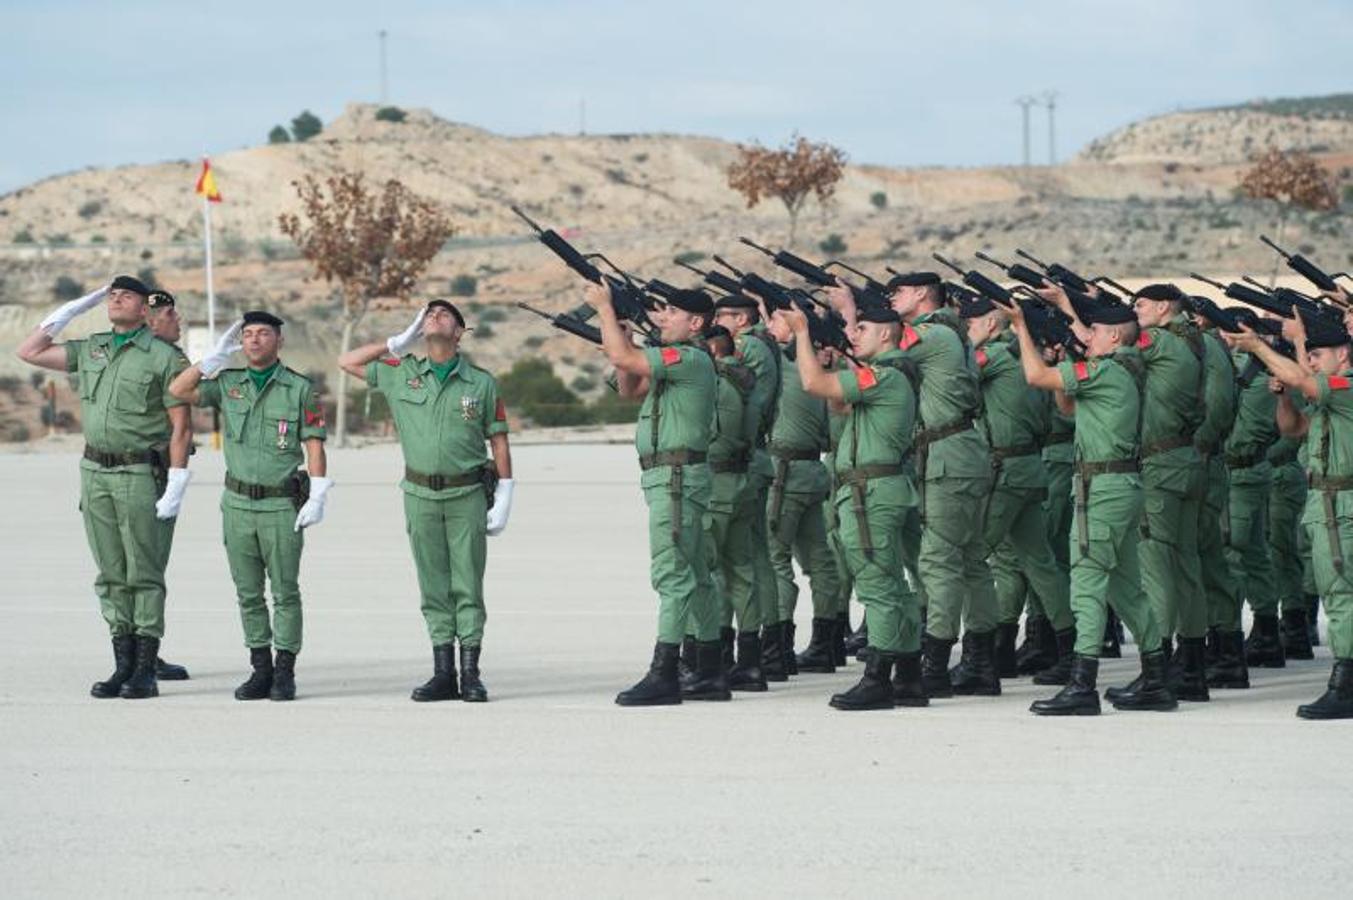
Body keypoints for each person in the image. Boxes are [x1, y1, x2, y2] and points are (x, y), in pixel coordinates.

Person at [16, 275, 191, 699]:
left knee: (144, 572)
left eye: (125, 295)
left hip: (138, 474)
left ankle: (146, 668)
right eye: (110, 295)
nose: (115, 299)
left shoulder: (165, 358)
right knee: (111, 572)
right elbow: (29, 351)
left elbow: (181, 429)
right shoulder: (92, 348)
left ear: (145, 310)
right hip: (95, 472)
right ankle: (122, 664)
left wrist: (177, 482)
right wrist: (70, 311)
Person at [338, 299, 513, 703]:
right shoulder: (403, 374)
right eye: (428, 314)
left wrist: (505, 492)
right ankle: (442, 673)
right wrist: (396, 342)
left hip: (466, 493)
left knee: (467, 583)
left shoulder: (481, 382)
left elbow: (499, 440)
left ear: (459, 333)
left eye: (444, 315)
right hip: (419, 494)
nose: (434, 317)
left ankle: (471, 673)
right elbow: (347, 361)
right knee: (433, 585)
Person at [829, 273, 995, 698]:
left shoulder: (932, 332)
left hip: (947, 453)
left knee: (938, 561)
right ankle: (981, 662)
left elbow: (876, 353)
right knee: (971, 560)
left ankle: (936, 666)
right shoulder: (948, 331)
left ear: (921, 294)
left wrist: (850, 314)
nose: (892, 298)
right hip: (958, 450)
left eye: (899, 292)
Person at [1011, 291, 1176, 715]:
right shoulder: (1118, 369)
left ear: (1116, 337)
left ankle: (1082, 684)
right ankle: (1157, 678)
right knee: (1126, 588)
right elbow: (1067, 406)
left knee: (1086, 581)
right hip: (1118, 486)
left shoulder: (1105, 370)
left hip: (1102, 489)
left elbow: (1035, 377)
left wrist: (1020, 329)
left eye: (1097, 333)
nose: (1090, 340)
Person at [169, 311, 330, 701]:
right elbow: (179, 390)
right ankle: (261, 668)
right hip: (238, 503)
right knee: (248, 592)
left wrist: (320, 491)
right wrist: (210, 360)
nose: (254, 340)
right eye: (248, 335)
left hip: (280, 505)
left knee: (286, 591)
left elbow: (314, 443)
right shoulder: (229, 384)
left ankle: (285, 672)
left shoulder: (299, 389)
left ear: (279, 341)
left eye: (263, 334)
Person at [775, 303, 923, 709]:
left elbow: (812, 383)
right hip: (881, 489)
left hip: (871, 495)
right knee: (894, 585)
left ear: (887, 335)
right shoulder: (888, 374)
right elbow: (838, 404)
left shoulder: (887, 376)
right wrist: (842, 358)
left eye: (863, 329)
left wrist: (803, 334)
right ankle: (909, 676)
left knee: (877, 587)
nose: (854, 335)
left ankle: (877, 678)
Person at [583, 284, 721, 706]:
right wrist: (621, 333)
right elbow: (628, 386)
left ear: (695, 323)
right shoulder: (677, 361)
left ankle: (665, 672)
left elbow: (622, 360)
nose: (661, 318)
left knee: (672, 574)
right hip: (672, 477)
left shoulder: (690, 357)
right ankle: (709, 669)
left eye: (671, 313)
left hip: (676, 479)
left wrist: (605, 309)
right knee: (695, 574)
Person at [1233, 314, 1353, 719]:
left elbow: (1306, 381)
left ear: (1343, 354)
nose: (1313, 362)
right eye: (1310, 354)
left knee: (1341, 592)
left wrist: (1259, 348)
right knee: (1336, 587)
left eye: (1317, 355)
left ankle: (1346, 684)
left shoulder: (1344, 386)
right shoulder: (1326, 393)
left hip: (1343, 504)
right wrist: (1284, 396)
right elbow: (1293, 428)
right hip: (1325, 501)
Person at [961, 297, 1074, 682]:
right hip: (1031, 467)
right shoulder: (1028, 355)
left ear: (991, 326)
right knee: (1039, 563)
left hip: (1004, 470)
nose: (967, 331)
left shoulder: (992, 355)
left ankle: (980, 657)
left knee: (973, 557)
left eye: (971, 324)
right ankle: (1066, 649)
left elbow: (955, 382)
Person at [761, 309, 841, 672]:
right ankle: (829, 644)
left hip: (785, 471)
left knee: (776, 560)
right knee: (820, 561)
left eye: (776, 320)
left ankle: (776, 650)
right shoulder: (816, 370)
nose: (768, 328)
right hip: (812, 469)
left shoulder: (781, 361)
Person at [712, 294, 786, 678]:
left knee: (740, 563)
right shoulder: (759, 346)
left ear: (740, 319)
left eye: (721, 315)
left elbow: (748, 404)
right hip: (754, 457)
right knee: (753, 560)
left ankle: (745, 650)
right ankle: (767, 651)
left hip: (741, 456)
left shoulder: (748, 347)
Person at [697, 324, 765, 691]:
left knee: (703, 570)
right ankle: (750, 660)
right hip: (741, 479)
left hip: (716, 483)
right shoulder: (745, 382)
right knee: (741, 571)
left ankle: (704, 658)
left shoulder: (717, 384)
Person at [139, 289, 192, 682]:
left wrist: (176, 479)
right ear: (150, 319)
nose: (179, 320)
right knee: (136, 567)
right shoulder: (129, 356)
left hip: (152, 472)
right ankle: (138, 653)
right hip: (129, 473)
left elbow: (182, 427)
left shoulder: (173, 360)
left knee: (149, 565)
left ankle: (147, 653)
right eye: (171, 314)